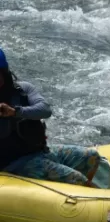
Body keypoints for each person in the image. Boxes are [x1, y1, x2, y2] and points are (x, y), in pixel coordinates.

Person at [0, 48, 102, 186]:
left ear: (4, 73)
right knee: (76, 178)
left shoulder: (23, 89)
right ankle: (93, 196)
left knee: (92, 157)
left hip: (41, 152)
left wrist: (15, 112)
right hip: (15, 165)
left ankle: (80, 193)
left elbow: (45, 110)